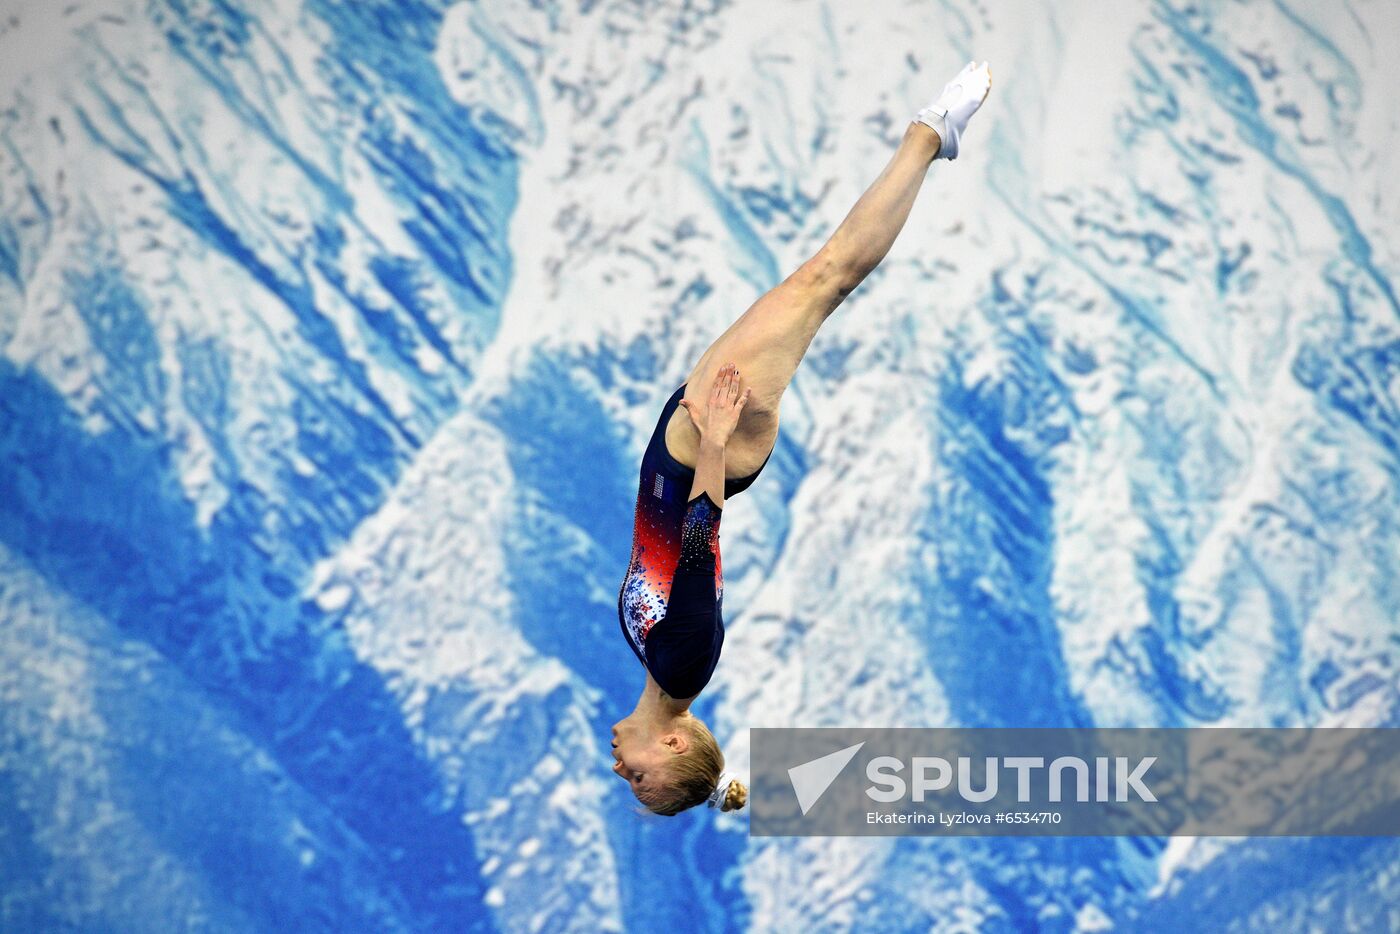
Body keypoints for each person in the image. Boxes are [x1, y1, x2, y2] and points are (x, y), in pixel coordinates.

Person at [612, 61, 994, 815]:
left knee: (821, 283)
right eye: (641, 779)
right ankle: (930, 135)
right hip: (707, 445)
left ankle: (929, 135)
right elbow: (699, 544)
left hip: (692, 440)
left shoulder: (656, 667)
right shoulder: (683, 666)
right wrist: (715, 439)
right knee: (825, 280)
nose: (622, 770)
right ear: (677, 744)